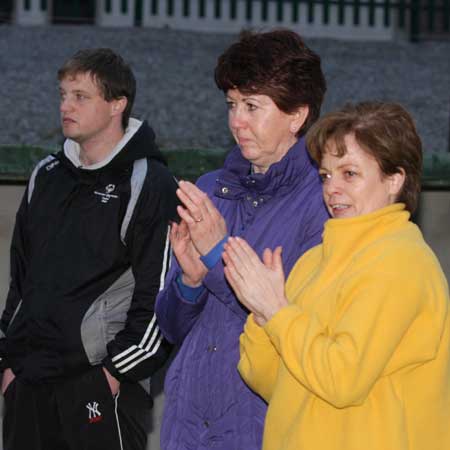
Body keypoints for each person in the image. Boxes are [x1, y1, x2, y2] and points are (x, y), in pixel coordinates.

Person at [223, 101, 450, 450]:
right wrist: (263, 313)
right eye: (326, 175)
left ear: (394, 180)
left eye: (350, 174)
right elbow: (272, 381)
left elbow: (341, 378)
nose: (332, 188)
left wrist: (279, 312)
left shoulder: (400, 262)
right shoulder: (315, 260)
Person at [155, 29, 329, 450]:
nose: (237, 121)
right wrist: (189, 283)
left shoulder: (325, 203)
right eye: (232, 105)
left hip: (261, 425)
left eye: (252, 106)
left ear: (297, 115)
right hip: (187, 422)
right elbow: (170, 327)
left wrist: (217, 253)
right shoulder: (211, 188)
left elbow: (287, 320)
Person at [0, 48, 178, 450]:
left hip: (97, 386)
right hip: (27, 381)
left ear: (117, 104)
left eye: (81, 96)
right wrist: (8, 362)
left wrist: (113, 374)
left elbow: (159, 298)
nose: (66, 106)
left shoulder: (151, 183)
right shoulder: (45, 175)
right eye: (63, 95)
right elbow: (21, 280)